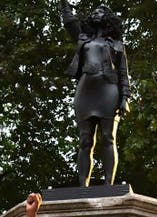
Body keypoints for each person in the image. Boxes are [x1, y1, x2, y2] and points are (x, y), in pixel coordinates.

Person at [60, 1, 131, 186]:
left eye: (101, 11)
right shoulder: (83, 38)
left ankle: (109, 184)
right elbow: (69, 21)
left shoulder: (117, 44)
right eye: (95, 11)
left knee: (108, 138)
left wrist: (125, 98)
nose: (96, 13)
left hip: (109, 91)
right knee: (85, 140)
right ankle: (83, 186)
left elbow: (123, 74)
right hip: (85, 91)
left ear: (108, 18)